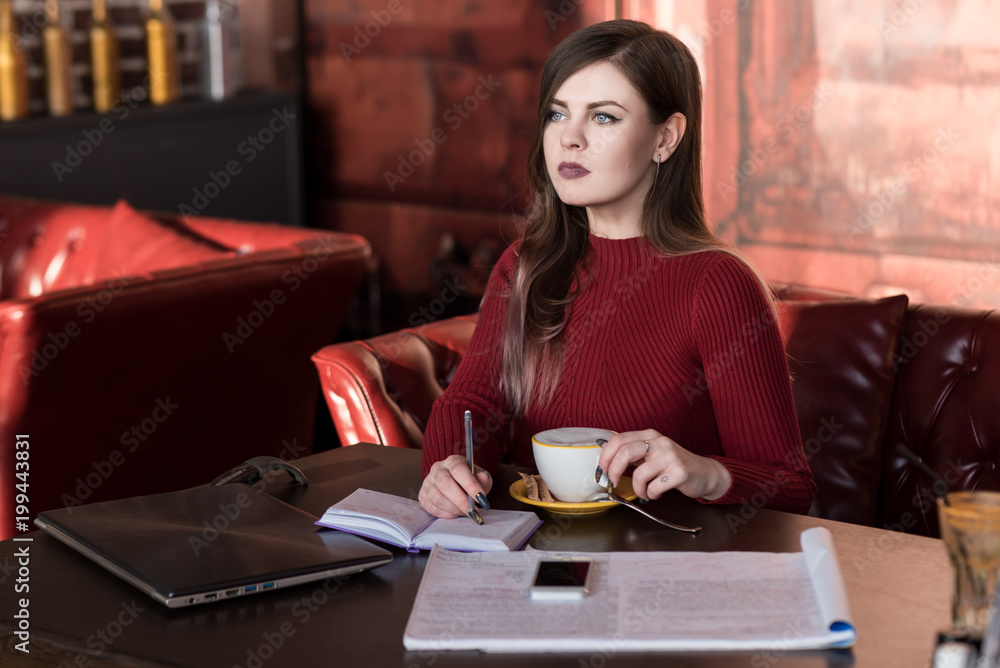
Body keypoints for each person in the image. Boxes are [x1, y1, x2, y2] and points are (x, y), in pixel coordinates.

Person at [418, 19, 815, 521]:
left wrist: (705, 472)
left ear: (665, 138)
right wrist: (447, 470)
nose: (570, 139)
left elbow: (791, 485)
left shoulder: (718, 283)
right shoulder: (524, 266)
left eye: (604, 117)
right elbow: (472, 407)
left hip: (673, 568)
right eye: (558, 114)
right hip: (545, 563)